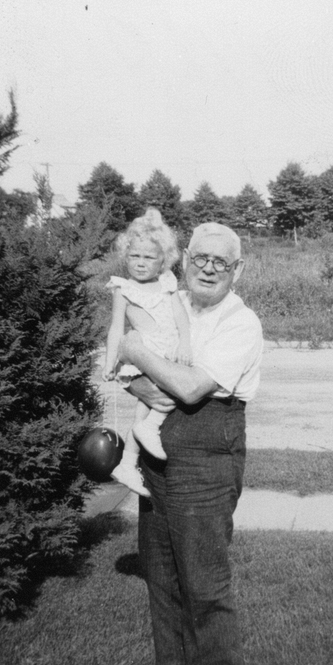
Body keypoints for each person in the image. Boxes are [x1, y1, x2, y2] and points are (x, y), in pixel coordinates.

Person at [116, 221, 263, 665]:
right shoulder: (167, 304)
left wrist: (138, 354)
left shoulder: (240, 323)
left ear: (236, 270)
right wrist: (141, 380)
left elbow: (193, 387)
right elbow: (126, 372)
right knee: (161, 566)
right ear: (184, 260)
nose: (206, 268)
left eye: (219, 262)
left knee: (204, 577)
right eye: (199, 257)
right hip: (160, 443)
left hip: (207, 446)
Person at [102, 209, 192, 497]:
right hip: (145, 351)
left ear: (163, 260)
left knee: (146, 406)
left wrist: (186, 342)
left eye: (149, 258)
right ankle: (149, 430)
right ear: (125, 255)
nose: (141, 263)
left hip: (168, 350)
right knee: (159, 400)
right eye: (135, 256)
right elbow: (116, 328)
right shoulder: (123, 288)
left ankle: (127, 464)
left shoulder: (167, 283)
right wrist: (108, 360)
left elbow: (180, 318)